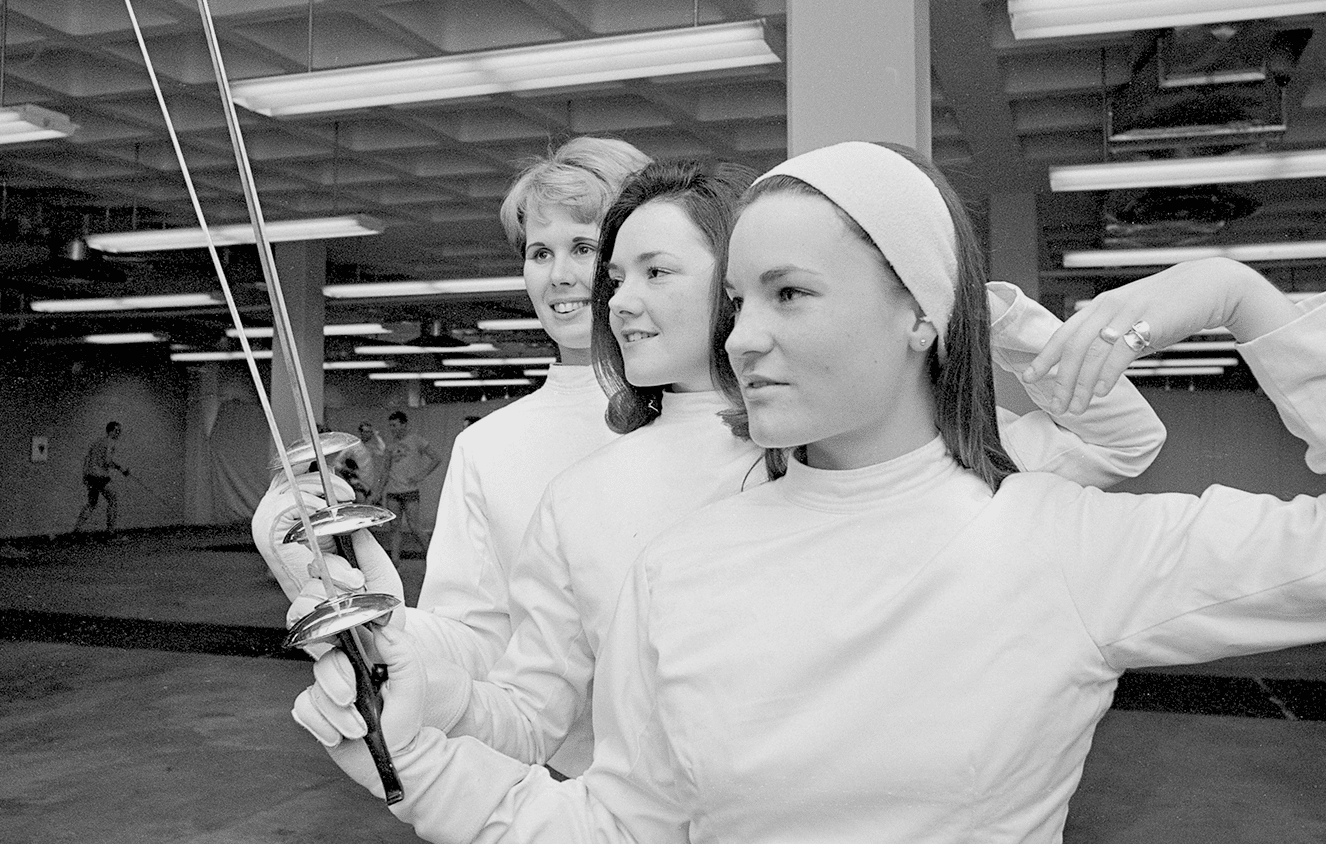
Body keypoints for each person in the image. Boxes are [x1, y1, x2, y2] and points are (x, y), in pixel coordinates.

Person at [287, 142, 1326, 843]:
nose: (744, 338)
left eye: (790, 294)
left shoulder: (1055, 543)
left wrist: (1241, 295)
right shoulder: (678, 564)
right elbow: (615, 827)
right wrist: (416, 754)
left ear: (918, 310)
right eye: (738, 302)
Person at [286, 158, 1167, 780]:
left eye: (641, 265)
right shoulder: (563, 480)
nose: (609, 295)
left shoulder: (840, 438)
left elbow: (1119, 444)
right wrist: (387, 641)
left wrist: (979, 306)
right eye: (600, 271)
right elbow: (518, 688)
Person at [251, 137, 653, 749]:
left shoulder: (722, 415)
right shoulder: (489, 445)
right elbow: (479, 639)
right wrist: (380, 621)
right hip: (563, 786)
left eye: (585, 247)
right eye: (540, 251)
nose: (560, 275)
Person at [372, 410, 442, 563]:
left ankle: (433, 559)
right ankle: (395, 561)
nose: (392, 428)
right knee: (394, 527)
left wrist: (422, 474)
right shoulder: (390, 447)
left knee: (414, 526)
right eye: (390, 425)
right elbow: (385, 471)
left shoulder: (416, 440)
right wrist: (378, 491)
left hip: (410, 490)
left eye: (395, 425)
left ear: (404, 425)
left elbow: (436, 458)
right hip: (393, 491)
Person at [73, 421, 128, 534]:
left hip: (90, 476)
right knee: (113, 500)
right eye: (117, 431)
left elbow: (87, 459)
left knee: (92, 503)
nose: (118, 434)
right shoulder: (110, 443)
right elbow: (107, 461)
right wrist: (121, 469)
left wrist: (85, 476)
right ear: (111, 431)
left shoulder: (96, 442)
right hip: (100, 476)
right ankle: (110, 533)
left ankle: (76, 531)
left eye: (119, 431)